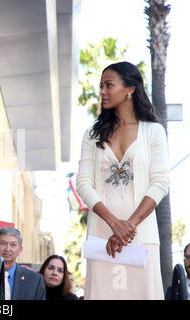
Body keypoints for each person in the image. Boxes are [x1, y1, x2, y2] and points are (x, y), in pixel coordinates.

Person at [76, 61, 170, 299]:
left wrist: (129, 227)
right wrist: (113, 224)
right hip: (101, 237)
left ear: (130, 89)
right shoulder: (92, 135)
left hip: (142, 239)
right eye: (101, 86)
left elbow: (160, 183)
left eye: (109, 85)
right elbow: (84, 183)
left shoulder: (153, 131)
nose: (102, 92)